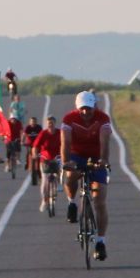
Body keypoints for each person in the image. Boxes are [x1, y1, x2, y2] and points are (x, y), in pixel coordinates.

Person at [61, 90, 115, 259]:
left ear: (94, 107)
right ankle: (72, 203)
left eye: (89, 109)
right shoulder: (69, 119)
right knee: (70, 177)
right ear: (77, 108)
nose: (85, 113)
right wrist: (66, 161)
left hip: (96, 156)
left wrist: (104, 160)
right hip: (76, 155)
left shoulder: (102, 118)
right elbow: (65, 142)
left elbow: (104, 140)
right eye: (82, 109)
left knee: (100, 201)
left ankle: (100, 241)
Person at [33, 114, 63, 213]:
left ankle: (59, 182)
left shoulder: (60, 133)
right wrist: (35, 154)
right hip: (45, 159)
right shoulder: (43, 133)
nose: (50, 125)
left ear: (55, 123)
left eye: (52, 123)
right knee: (45, 181)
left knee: (61, 166)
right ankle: (44, 201)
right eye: (48, 123)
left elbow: (66, 143)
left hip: (57, 158)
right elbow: (35, 146)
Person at [22, 115, 44, 186]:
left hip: (38, 145)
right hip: (30, 145)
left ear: (36, 122)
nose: (33, 123)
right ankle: (27, 163)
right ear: (30, 122)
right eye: (32, 122)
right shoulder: (28, 128)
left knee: (39, 159)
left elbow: (42, 135)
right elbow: (24, 135)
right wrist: (22, 141)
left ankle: (40, 176)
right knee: (28, 153)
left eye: (34, 122)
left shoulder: (39, 128)